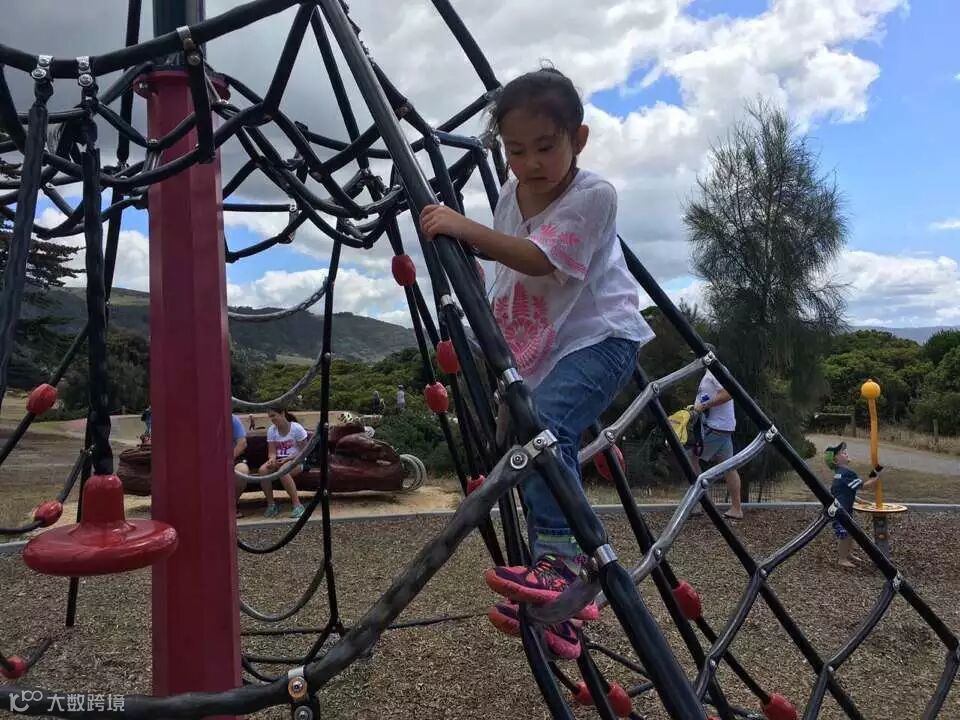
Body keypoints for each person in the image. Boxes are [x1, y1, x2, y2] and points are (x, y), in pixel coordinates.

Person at [419, 66, 654, 658]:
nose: (530, 162)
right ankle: (561, 611)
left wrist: (463, 228)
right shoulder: (512, 192)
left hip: (602, 339)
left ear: (579, 139)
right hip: (553, 344)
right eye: (516, 150)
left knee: (546, 429)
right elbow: (508, 279)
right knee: (528, 444)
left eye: (546, 146)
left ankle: (560, 565)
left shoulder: (594, 195)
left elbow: (540, 261)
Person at [689, 347, 743, 520]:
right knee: (729, 468)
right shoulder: (711, 373)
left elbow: (728, 393)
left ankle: (698, 503)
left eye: (696, 356)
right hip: (722, 427)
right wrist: (696, 407)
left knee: (689, 458)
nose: (695, 360)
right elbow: (710, 396)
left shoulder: (715, 371)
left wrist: (703, 406)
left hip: (716, 427)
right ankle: (736, 508)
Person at [825, 441, 881, 568]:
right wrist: (876, 478)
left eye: (845, 451)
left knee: (850, 533)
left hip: (841, 510)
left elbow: (845, 492)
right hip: (841, 512)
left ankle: (848, 554)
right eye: (842, 453)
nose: (846, 453)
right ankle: (842, 558)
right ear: (835, 461)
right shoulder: (847, 474)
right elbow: (863, 486)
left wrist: (861, 501)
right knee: (845, 536)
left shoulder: (838, 475)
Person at [258, 406, 309, 519]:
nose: (272, 419)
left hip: (296, 460)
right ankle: (271, 505)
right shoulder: (272, 430)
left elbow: (304, 451)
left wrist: (287, 459)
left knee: (283, 472)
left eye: (273, 415)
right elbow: (272, 452)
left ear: (282, 413)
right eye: (270, 417)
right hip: (280, 460)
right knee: (262, 470)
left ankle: (297, 505)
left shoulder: (296, 428)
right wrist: (272, 459)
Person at [232, 414, 250, 519]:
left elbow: (242, 443)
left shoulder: (232, 419)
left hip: (233, 457)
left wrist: (228, 460)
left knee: (242, 471)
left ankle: (231, 505)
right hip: (210, 460)